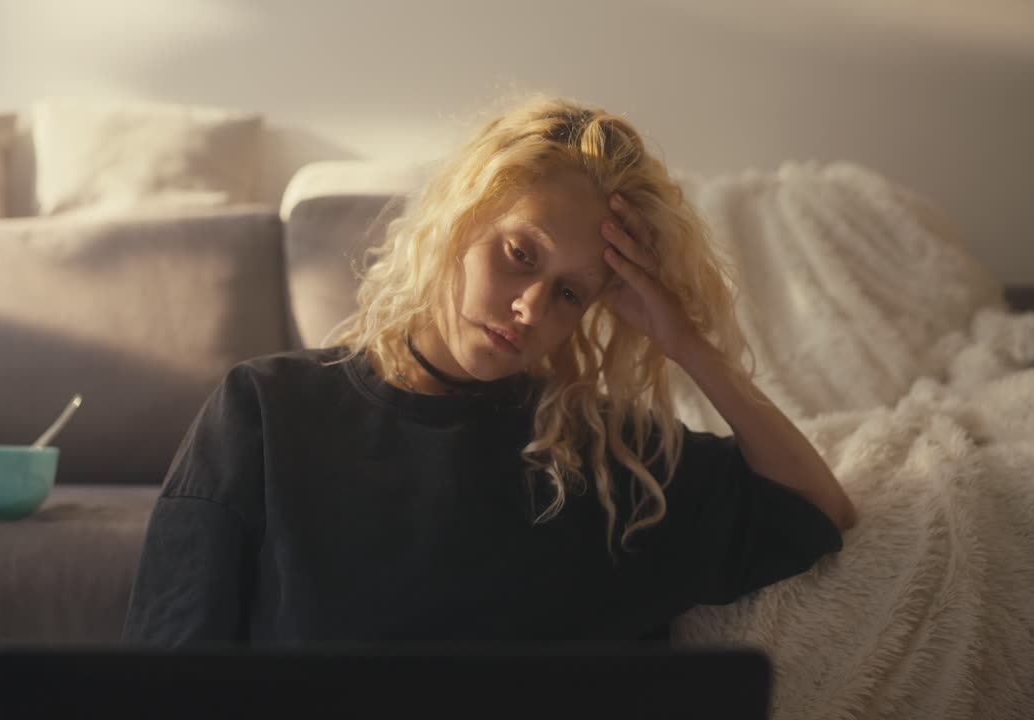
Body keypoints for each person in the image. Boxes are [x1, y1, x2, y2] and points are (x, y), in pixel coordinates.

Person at [121, 92, 858, 650]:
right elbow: (168, 663)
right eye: (521, 254)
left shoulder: (599, 457)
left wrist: (690, 347)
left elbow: (815, 511)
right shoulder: (266, 410)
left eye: (571, 291)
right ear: (461, 219)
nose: (532, 306)